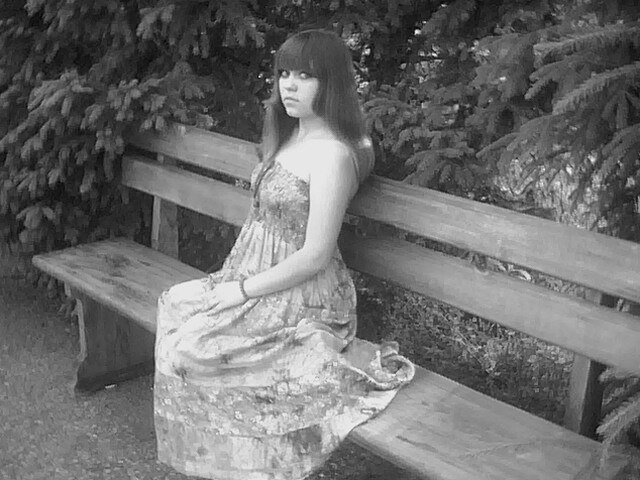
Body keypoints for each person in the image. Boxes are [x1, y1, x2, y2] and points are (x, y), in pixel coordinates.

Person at [153, 29, 415, 480]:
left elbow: (315, 255)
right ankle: (231, 457)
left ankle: (257, 466)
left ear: (332, 82)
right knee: (174, 303)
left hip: (302, 297)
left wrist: (241, 291)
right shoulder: (291, 135)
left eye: (305, 76)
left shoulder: (333, 154)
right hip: (253, 277)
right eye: (284, 74)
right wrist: (236, 283)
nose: (289, 85)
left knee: (189, 352)